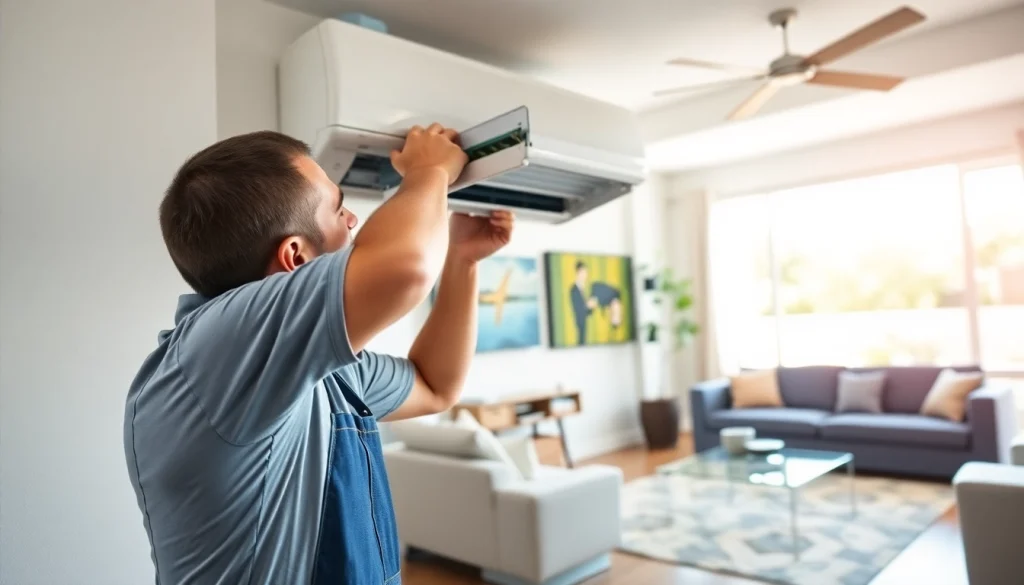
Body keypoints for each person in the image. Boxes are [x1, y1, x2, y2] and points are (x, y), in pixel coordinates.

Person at [122, 125, 514, 584]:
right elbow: (403, 267)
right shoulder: (214, 351)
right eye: (338, 208)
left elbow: (433, 385)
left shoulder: (302, 366)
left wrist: (462, 261)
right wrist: (429, 171)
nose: (353, 222)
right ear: (296, 257)